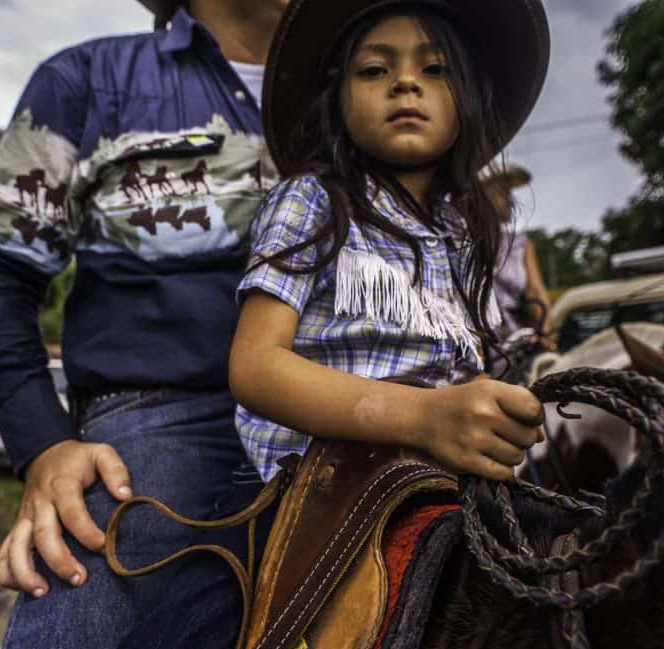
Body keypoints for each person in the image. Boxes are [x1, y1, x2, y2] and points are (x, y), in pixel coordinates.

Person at [0, 1, 289, 649]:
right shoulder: (89, 80)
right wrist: (44, 445)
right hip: (163, 423)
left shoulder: (377, 79)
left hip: (368, 411)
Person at [229, 0, 549, 483]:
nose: (405, 82)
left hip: (445, 478)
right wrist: (425, 417)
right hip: (333, 486)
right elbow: (255, 367)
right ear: (335, 99)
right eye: (375, 69)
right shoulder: (311, 201)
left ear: (467, 100)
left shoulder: (460, 230)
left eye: (435, 68)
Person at [485, 164, 555, 343]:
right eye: (504, 193)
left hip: (518, 345)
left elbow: (535, 292)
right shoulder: (454, 243)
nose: (511, 201)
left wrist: (545, 335)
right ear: (481, 194)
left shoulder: (520, 245)